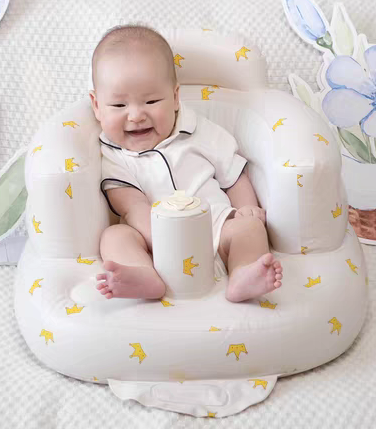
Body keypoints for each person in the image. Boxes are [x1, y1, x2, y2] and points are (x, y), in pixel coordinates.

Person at [90, 23, 283, 302]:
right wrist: (170, 243)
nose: (135, 115)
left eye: (152, 101)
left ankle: (243, 273)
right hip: (153, 241)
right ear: (96, 105)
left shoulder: (198, 130)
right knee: (115, 236)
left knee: (249, 230)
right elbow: (132, 205)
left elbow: (234, 175)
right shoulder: (112, 152)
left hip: (214, 225)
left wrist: (246, 209)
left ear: (176, 97)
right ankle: (142, 275)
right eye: (119, 106)